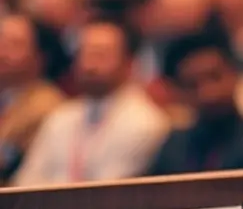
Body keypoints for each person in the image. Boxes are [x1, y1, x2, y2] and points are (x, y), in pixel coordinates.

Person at [13, 16, 170, 185]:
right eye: (83, 53)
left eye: (100, 55)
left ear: (129, 63)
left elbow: (106, 191)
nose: (88, 65)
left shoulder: (145, 121)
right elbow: (25, 182)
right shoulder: (61, 116)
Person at [148, 29, 243, 175]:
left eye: (215, 77)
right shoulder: (174, 147)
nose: (208, 93)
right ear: (179, 92)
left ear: (235, 74)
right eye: (192, 84)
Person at [0, 14, 65, 181]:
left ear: (40, 57)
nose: (2, 52)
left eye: (14, 44)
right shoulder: (7, 97)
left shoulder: (47, 106)